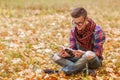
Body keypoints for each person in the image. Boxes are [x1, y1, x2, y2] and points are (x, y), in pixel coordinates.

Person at [45, 7, 106, 76]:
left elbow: (97, 53)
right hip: (78, 59)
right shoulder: (74, 30)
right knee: (55, 56)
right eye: (75, 23)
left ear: (86, 19)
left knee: (89, 54)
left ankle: (61, 72)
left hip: (93, 61)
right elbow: (73, 49)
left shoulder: (97, 31)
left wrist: (83, 53)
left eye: (80, 23)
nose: (77, 26)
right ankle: (84, 71)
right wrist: (68, 53)